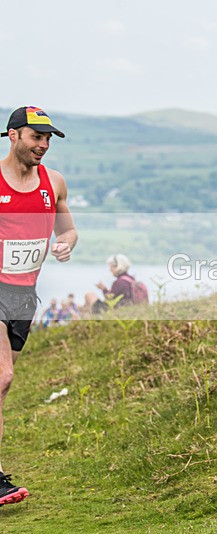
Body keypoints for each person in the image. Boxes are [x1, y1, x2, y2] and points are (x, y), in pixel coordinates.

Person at [0, 106, 77, 504]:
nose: (44, 145)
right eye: (36, 137)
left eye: (48, 139)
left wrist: (66, 242)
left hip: (23, 296)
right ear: (13, 135)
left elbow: (68, 227)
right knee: (2, 377)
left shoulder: (54, 182)